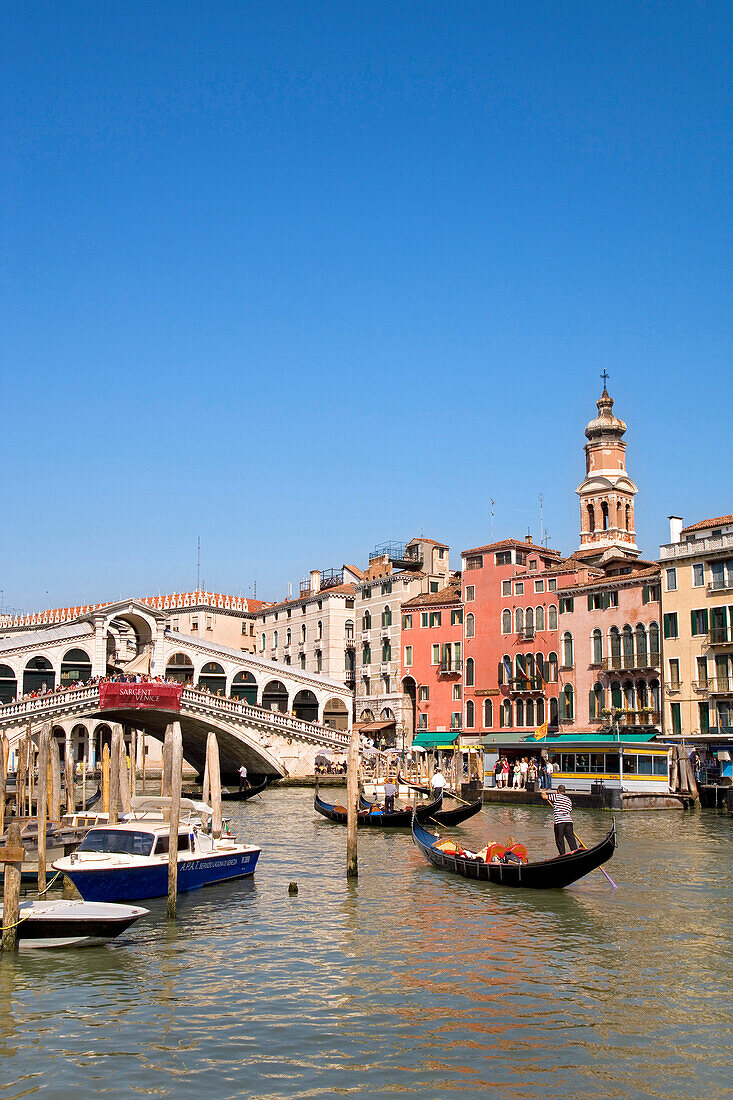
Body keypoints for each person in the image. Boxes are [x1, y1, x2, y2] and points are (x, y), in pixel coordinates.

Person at [542, 784, 578, 855]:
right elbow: (570, 811)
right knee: (571, 838)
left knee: (559, 839)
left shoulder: (556, 796)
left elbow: (544, 797)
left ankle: (562, 854)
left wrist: (543, 792)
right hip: (569, 821)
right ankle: (575, 851)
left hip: (560, 822)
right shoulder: (568, 800)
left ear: (558, 791)